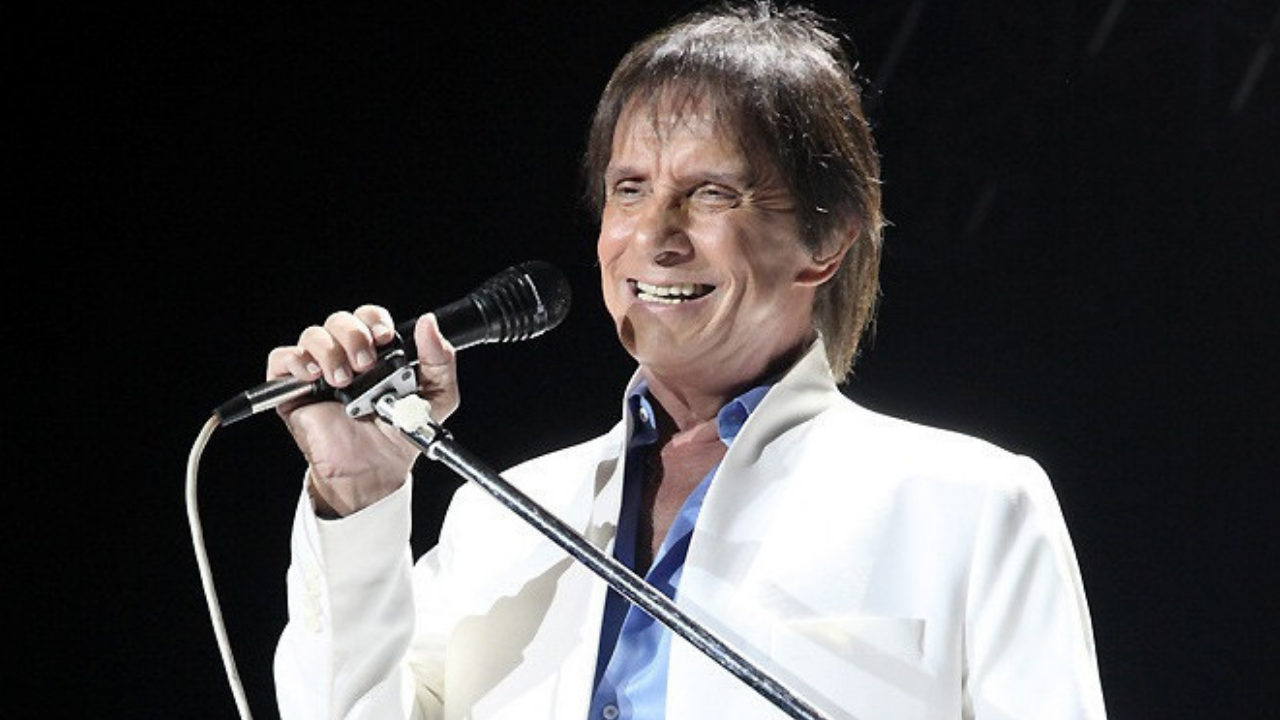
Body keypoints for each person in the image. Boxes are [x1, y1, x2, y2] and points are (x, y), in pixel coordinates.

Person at [269, 2, 1107, 718]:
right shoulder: (500, 517)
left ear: (825, 241)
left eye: (711, 193)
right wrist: (359, 496)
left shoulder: (971, 507)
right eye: (630, 189)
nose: (656, 238)